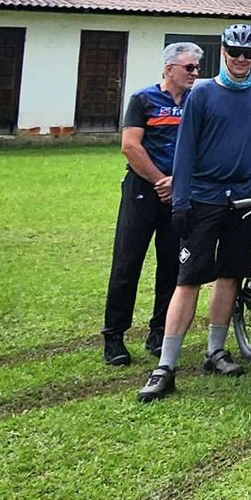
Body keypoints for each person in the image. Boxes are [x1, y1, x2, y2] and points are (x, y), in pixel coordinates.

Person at [137, 23, 251, 402]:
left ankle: (215, 352)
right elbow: (184, 151)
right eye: (234, 52)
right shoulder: (202, 93)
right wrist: (181, 202)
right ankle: (166, 366)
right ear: (222, 51)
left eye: (248, 54)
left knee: (230, 277)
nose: (241, 59)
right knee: (187, 280)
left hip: (244, 199)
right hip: (204, 198)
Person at [104, 41, 201, 366]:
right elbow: (130, 147)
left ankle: (159, 331)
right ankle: (114, 336)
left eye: (197, 68)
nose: (195, 73)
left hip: (179, 192)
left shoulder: (196, 101)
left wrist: (178, 182)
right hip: (143, 190)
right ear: (169, 68)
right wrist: (161, 180)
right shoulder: (143, 99)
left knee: (171, 265)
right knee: (127, 263)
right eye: (189, 67)